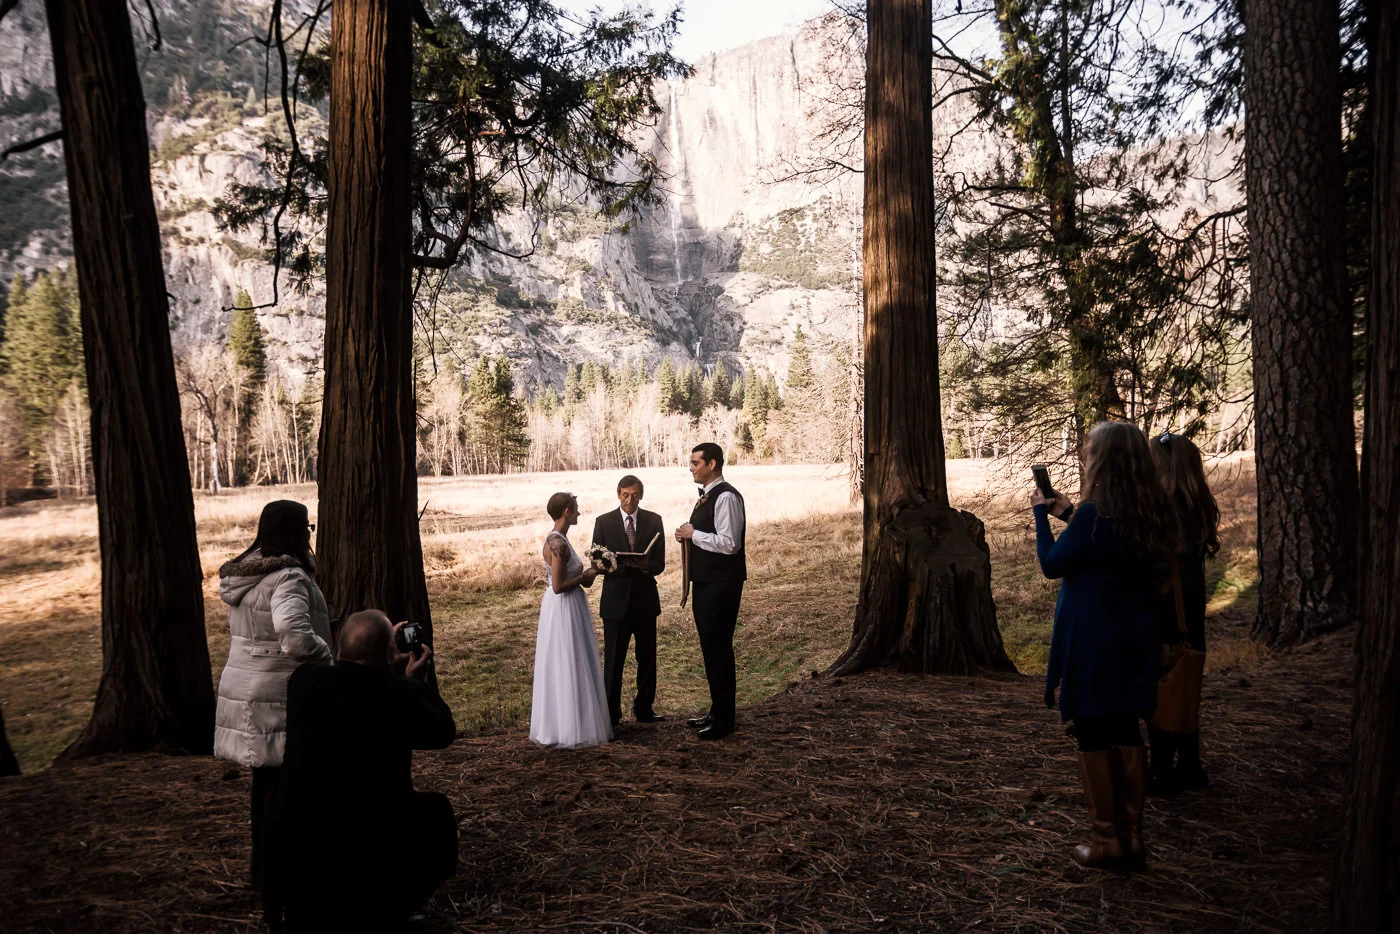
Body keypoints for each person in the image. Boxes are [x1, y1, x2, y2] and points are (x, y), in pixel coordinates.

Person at [1033, 422, 1177, 870]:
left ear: (1104, 459)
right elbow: (1113, 550)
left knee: (1092, 728)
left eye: (1089, 448)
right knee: (1125, 728)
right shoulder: (1152, 512)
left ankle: (1104, 841)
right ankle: (1131, 838)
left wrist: (1041, 515)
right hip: (1135, 637)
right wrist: (1070, 513)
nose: (1082, 453)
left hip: (1092, 638)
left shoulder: (1097, 515)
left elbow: (1053, 565)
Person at [266, 610, 458, 933]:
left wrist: (386, 666)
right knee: (436, 813)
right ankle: (387, 910)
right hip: (370, 836)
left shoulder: (302, 682)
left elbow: (350, 683)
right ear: (386, 654)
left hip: (301, 837)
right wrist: (417, 684)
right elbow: (443, 731)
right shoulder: (398, 694)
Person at [215, 500, 332, 892]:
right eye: (307, 528)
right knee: (286, 788)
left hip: (249, 688)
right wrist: (326, 655)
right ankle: (288, 875)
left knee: (265, 787)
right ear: (297, 532)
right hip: (278, 694)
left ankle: (266, 872)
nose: (309, 535)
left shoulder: (248, 576)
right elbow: (294, 634)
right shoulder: (288, 578)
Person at [1148, 431, 1220, 792]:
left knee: (1164, 687)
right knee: (1184, 688)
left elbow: (1156, 563)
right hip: (1189, 611)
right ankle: (1189, 765)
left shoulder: (1166, 511)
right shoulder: (1196, 506)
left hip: (1167, 613)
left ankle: (1161, 769)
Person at [674, 442, 747, 740]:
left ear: (712, 464)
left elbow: (730, 543)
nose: (690, 467)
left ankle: (724, 721)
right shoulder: (707, 496)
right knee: (711, 649)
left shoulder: (726, 496)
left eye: (695, 462)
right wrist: (688, 536)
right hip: (707, 584)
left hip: (721, 585)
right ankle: (717, 710)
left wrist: (694, 534)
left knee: (718, 649)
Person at [530, 492, 612, 749]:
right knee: (567, 661)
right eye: (576, 509)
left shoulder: (562, 539)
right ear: (566, 511)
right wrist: (585, 576)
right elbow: (557, 586)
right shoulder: (557, 543)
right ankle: (568, 728)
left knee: (575, 660)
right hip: (562, 607)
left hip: (571, 605)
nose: (579, 513)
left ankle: (576, 721)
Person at [591, 475, 667, 728]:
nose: (629, 499)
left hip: (645, 600)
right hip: (615, 602)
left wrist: (645, 566)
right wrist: (623, 568)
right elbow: (597, 562)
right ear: (618, 494)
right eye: (625, 494)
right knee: (614, 660)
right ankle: (611, 714)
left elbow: (660, 564)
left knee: (647, 658)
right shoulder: (603, 522)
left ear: (641, 495)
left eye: (634, 494)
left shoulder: (655, 520)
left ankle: (644, 708)